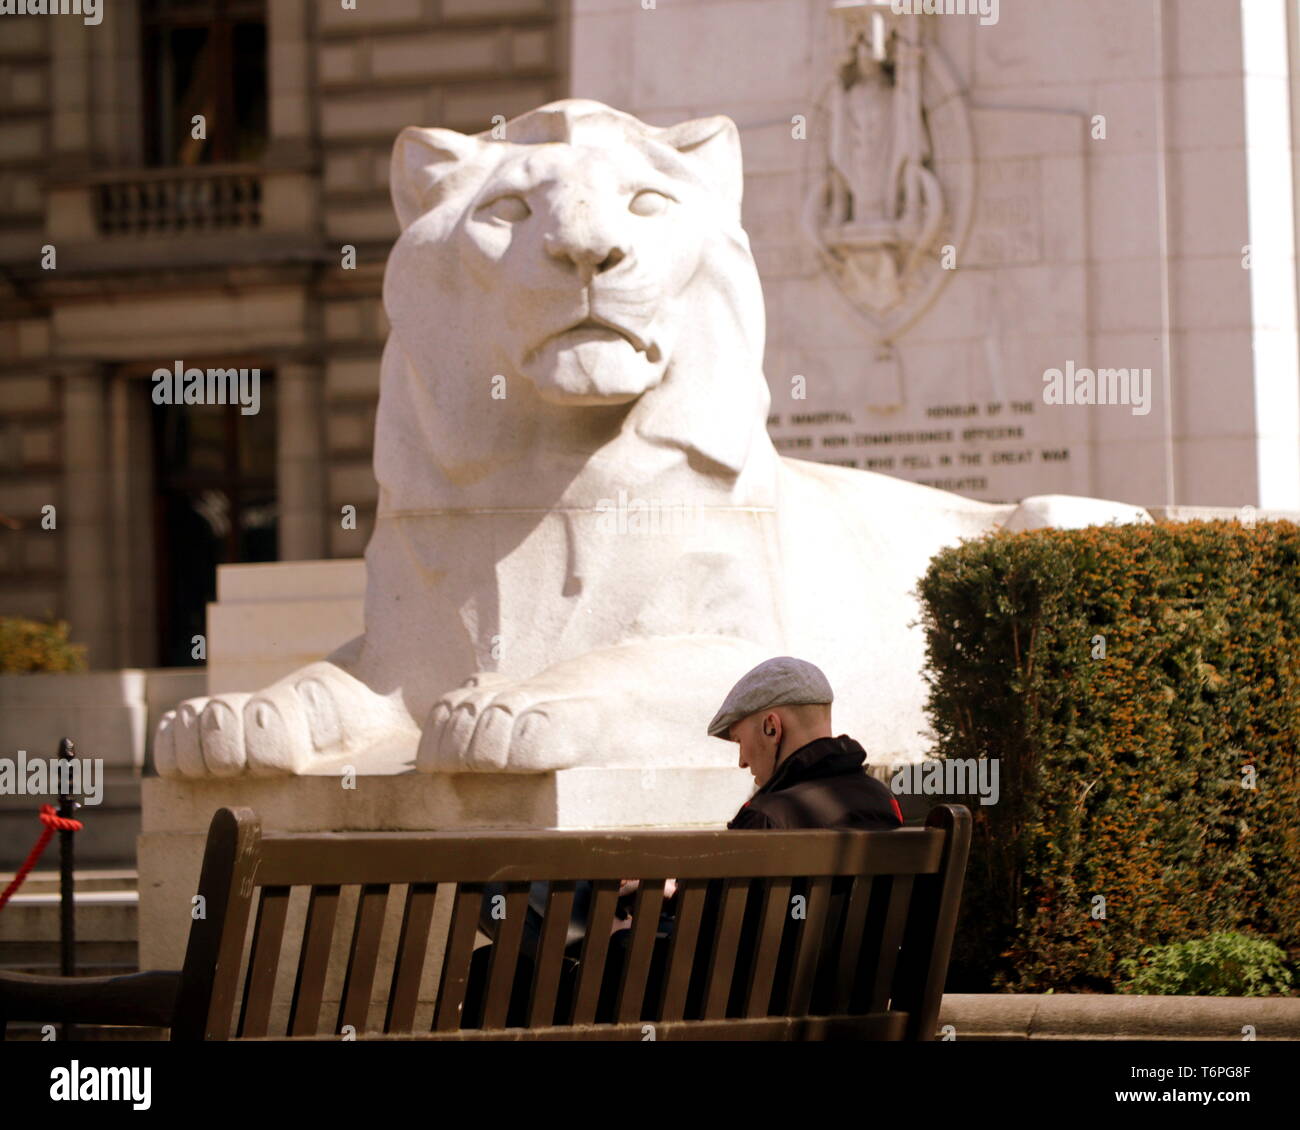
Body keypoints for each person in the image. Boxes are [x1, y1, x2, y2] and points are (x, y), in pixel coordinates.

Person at [464, 656, 903, 1025]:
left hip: (716, 1013)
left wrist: (625, 926)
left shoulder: (771, 818)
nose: (741, 761)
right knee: (517, 960)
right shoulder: (884, 805)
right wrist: (673, 891)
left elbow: (706, 946)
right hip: (831, 1008)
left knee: (500, 935)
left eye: (741, 741)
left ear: (772, 726)